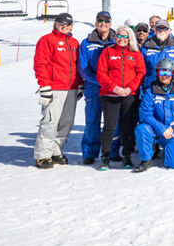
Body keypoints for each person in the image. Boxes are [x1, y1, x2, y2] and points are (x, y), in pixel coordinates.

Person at [33, 13, 83, 169]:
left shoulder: (74, 43)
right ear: (55, 24)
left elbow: (78, 66)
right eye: (61, 23)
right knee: (50, 121)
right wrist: (45, 87)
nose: (65, 26)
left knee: (66, 123)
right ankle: (43, 155)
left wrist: (80, 84)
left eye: (68, 24)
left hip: (71, 89)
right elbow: (41, 64)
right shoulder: (47, 40)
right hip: (55, 88)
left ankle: (56, 151)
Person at [95, 25, 145, 170]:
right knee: (110, 127)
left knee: (127, 126)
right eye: (119, 35)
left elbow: (141, 73)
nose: (121, 39)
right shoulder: (108, 51)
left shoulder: (135, 53)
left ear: (129, 38)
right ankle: (105, 157)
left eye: (124, 36)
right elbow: (101, 73)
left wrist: (129, 88)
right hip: (110, 94)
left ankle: (127, 155)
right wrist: (115, 88)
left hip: (129, 95)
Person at [134, 58, 174, 172]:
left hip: (173, 130)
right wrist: (161, 128)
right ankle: (146, 159)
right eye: (161, 72)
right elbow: (145, 114)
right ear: (157, 73)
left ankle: (171, 149)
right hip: (156, 128)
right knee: (141, 129)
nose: (164, 76)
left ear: (173, 74)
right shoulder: (151, 91)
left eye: (168, 72)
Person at [77, 10, 119, 164]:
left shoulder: (117, 41)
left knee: (113, 121)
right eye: (100, 21)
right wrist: (98, 80)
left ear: (110, 23)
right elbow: (83, 67)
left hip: (112, 87)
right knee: (92, 120)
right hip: (94, 86)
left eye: (106, 21)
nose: (103, 24)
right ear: (95, 23)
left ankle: (112, 151)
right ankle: (89, 152)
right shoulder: (87, 42)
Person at [141, 19, 174, 88]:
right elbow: (140, 70)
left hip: (172, 88)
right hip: (150, 87)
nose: (162, 30)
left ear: (169, 31)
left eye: (165, 28)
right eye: (159, 28)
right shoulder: (146, 46)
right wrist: (141, 90)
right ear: (154, 30)